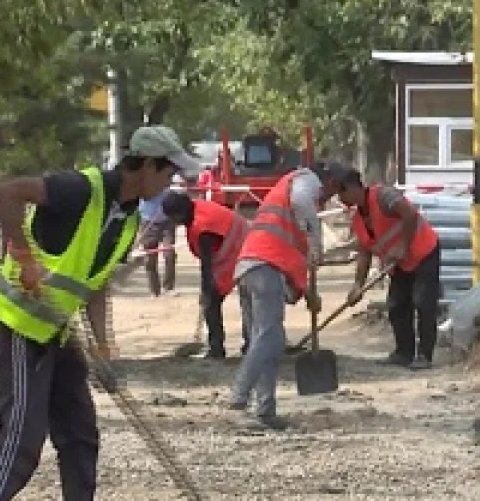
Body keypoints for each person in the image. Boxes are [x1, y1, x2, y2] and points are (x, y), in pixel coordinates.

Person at [0, 125, 201, 501]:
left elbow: (95, 288)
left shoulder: (129, 216)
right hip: (19, 321)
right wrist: (22, 254)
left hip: (58, 329)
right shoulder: (80, 189)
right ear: (147, 166)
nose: (170, 183)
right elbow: (4, 192)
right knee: (23, 427)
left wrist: (104, 349)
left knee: (79, 428)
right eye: (168, 172)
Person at [228, 166, 328, 429]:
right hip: (264, 267)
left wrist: (309, 293)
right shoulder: (306, 179)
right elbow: (302, 200)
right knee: (270, 338)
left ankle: (265, 410)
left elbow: (291, 259)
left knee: (264, 343)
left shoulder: (283, 205)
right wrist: (316, 239)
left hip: (250, 266)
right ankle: (239, 397)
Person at [326, 164, 441, 369]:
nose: (340, 199)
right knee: (397, 306)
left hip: (423, 252)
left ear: (353, 187)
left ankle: (425, 355)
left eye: (340, 192)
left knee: (423, 303)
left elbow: (410, 215)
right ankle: (403, 352)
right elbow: (364, 252)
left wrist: (403, 246)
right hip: (400, 264)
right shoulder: (358, 219)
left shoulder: (383, 196)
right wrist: (357, 285)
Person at [161, 191, 249, 359]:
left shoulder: (202, 226)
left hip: (240, 248)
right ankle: (233, 345)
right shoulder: (196, 209)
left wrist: (206, 290)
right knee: (222, 299)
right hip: (234, 244)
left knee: (214, 301)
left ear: (178, 214)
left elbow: (207, 266)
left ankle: (218, 348)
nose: (172, 222)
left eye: (172, 218)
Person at [136, 174, 180, 296]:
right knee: (150, 259)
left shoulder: (167, 172)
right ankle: (154, 291)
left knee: (169, 254)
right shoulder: (141, 176)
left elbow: (179, 187)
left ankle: (169, 287)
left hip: (167, 221)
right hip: (148, 221)